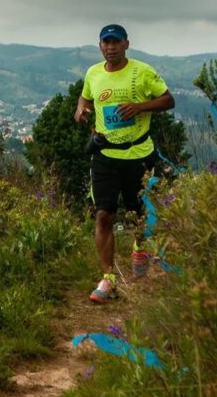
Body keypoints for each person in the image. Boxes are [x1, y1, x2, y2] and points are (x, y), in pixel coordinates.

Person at [74, 24, 175, 303]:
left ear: (126, 44)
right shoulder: (93, 73)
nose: (111, 47)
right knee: (104, 215)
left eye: (116, 42)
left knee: (138, 215)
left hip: (139, 155)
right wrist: (81, 110)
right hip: (105, 155)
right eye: (106, 42)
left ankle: (139, 248)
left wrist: (139, 107)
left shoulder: (142, 72)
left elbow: (169, 100)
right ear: (100, 46)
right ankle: (107, 279)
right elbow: (85, 97)